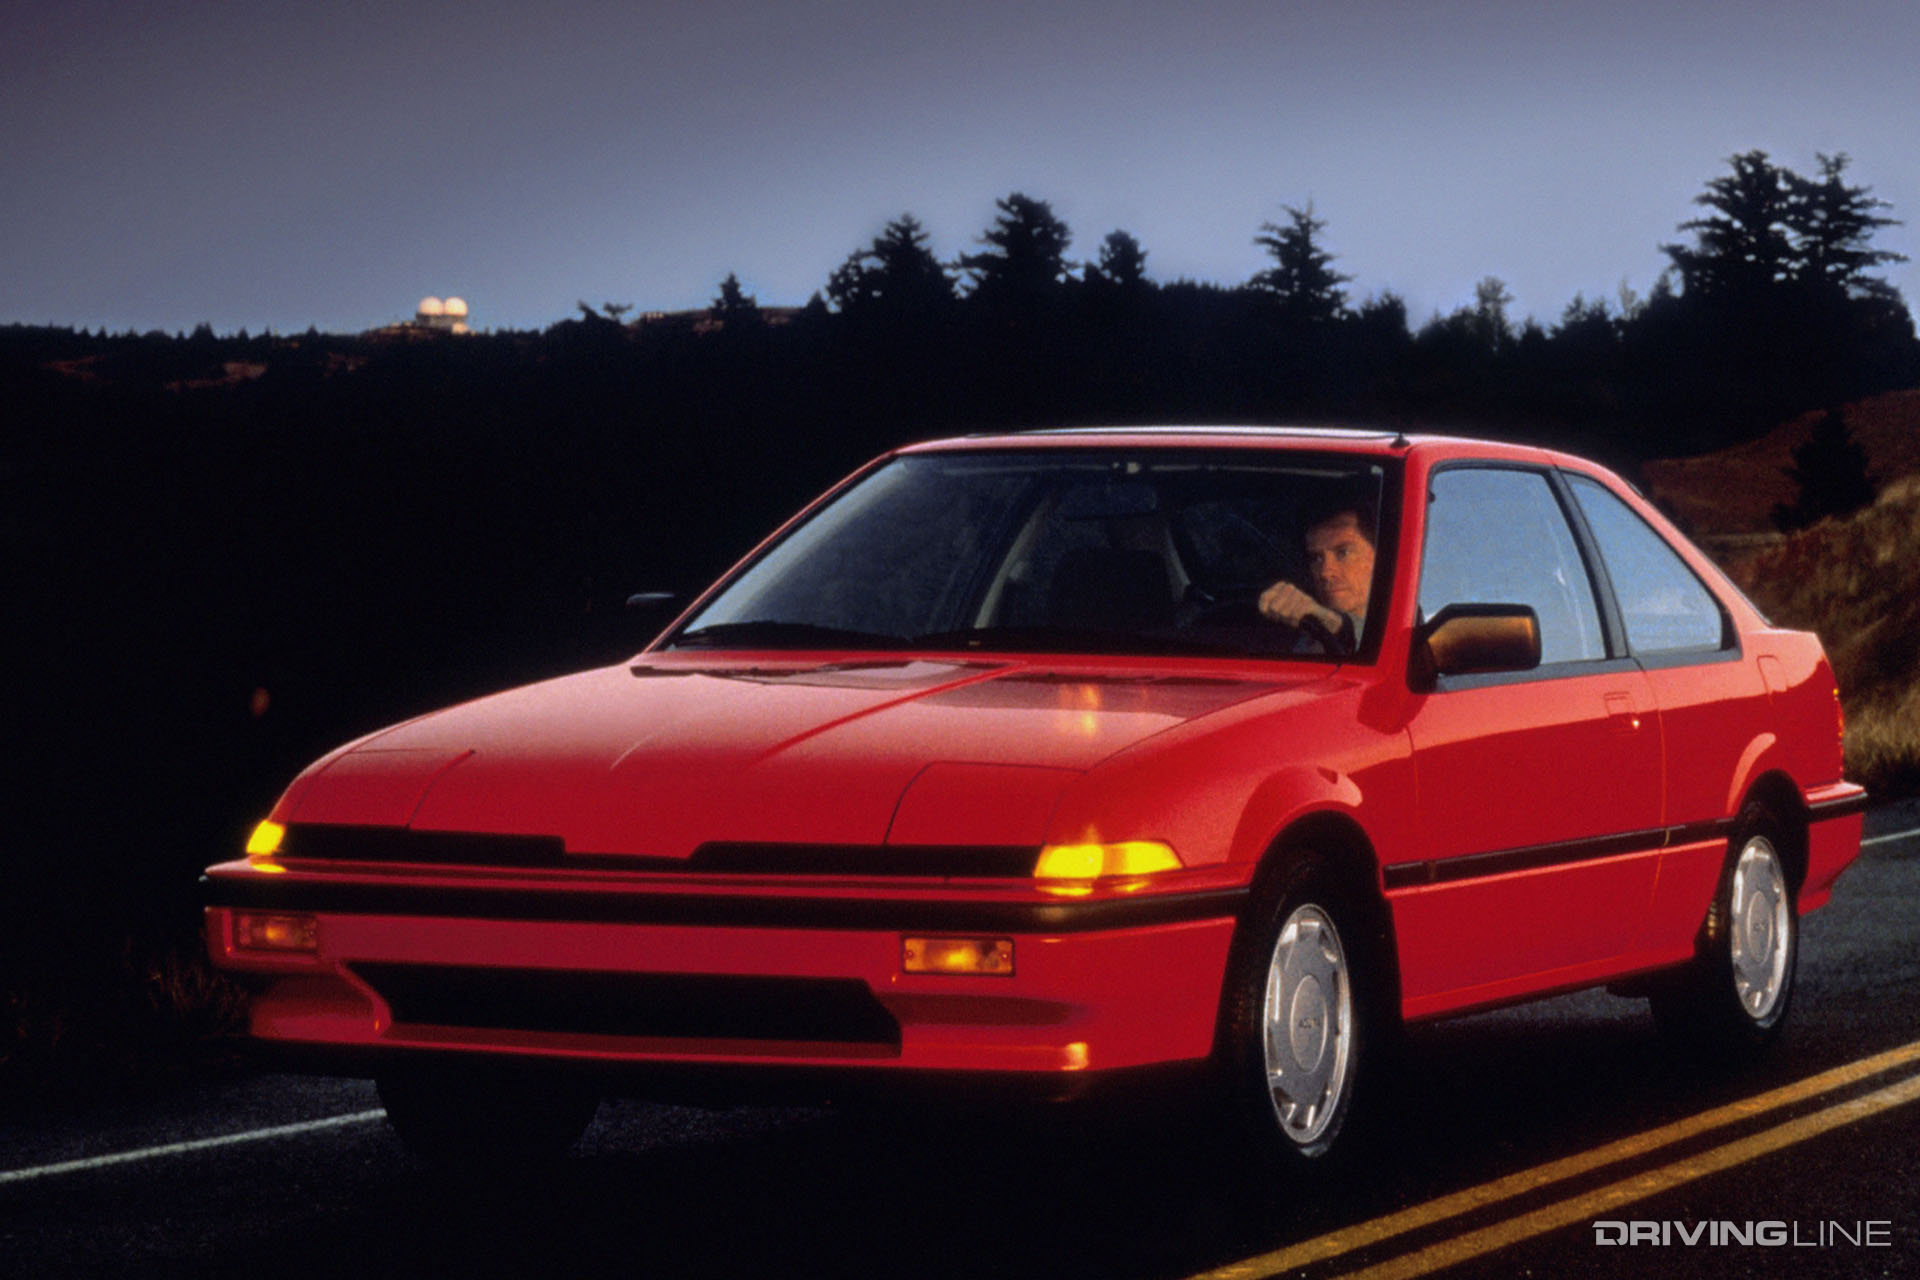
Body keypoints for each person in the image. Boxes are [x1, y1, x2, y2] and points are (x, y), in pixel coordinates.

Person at [1257, 502, 1376, 653]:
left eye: (1343, 552)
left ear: (1380, 558)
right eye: (1316, 558)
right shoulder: (1300, 636)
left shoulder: (1407, 635)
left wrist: (1329, 623)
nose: (1325, 572)